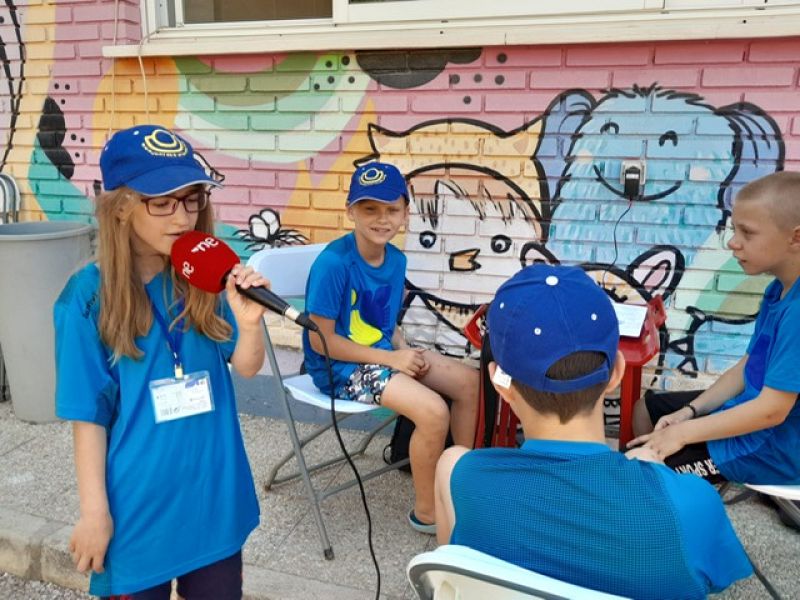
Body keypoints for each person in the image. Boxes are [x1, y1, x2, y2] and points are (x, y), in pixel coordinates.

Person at [434, 264, 752, 599]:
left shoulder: (461, 476)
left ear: (501, 382)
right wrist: (655, 474)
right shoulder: (693, 503)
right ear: (617, 371)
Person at [55, 125, 267, 599]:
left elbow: (247, 366)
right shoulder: (86, 300)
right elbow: (88, 417)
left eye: (191, 199)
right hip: (139, 510)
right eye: (163, 202)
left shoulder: (204, 278)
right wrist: (95, 513)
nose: (183, 216)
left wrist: (250, 323)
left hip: (214, 499)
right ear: (122, 206)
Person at [302, 161, 479, 534]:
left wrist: (404, 350)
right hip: (338, 369)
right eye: (370, 209)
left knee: (470, 383)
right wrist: (390, 358)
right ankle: (428, 512)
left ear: (405, 213)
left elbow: (384, 322)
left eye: (391, 209)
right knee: (432, 412)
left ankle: (461, 482)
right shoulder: (333, 264)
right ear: (351, 210)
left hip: (382, 354)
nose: (382, 219)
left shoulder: (396, 259)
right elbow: (324, 342)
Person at [630, 171, 800, 491]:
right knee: (648, 409)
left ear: (796, 237)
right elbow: (746, 367)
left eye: (747, 233)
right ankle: (673, 496)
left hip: (766, 450)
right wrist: (689, 413)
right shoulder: (777, 290)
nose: (733, 243)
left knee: (637, 473)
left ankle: (674, 495)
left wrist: (682, 434)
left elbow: (771, 412)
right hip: (748, 420)